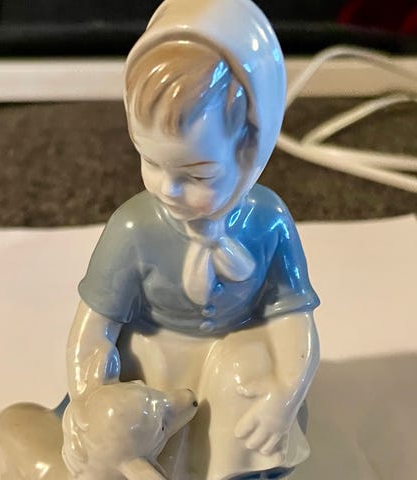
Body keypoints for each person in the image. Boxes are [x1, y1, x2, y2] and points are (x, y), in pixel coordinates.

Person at [66, 1, 320, 479]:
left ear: (250, 150)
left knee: (244, 376)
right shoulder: (133, 228)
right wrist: (88, 406)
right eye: (151, 161)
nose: (168, 188)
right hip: (156, 368)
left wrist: (285, 394)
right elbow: (93, 327)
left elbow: (291, 318)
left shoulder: (268, 221)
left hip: (235, 359)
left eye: (199, 174)